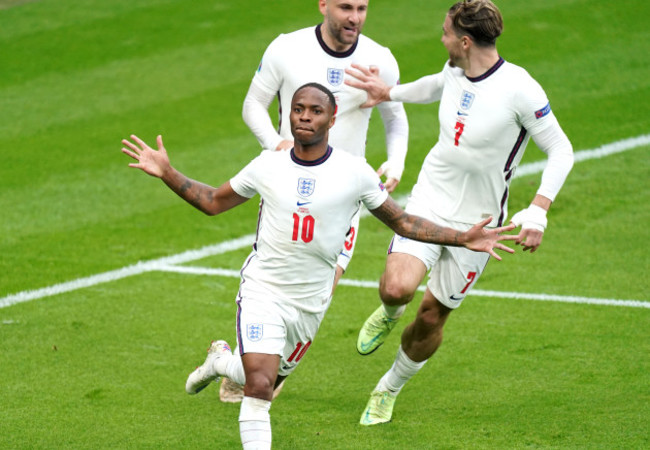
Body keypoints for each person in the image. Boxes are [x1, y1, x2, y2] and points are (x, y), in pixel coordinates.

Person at [122, 83, 516, 449]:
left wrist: (461, 237)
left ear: (332, 116)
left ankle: (219, 361)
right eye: (297, 109)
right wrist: (168, 173)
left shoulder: (354, 172)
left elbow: (403, 222)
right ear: (288, 115)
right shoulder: (267, 165)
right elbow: (212, 202)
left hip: (311, 301)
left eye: (314, 110)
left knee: (266, 376)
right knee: (259, 387)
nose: (304, 117)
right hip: (264, 289)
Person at [345, 0, 574, 425]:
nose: (442, 38)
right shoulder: (455, 69)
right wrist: (388, 93)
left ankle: (388, 388)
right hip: (431, 197)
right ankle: (391, 313)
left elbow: (561, 149)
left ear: (465, 41)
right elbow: (434, 85)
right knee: (396, 288)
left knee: (432, 315)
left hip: (481, 221)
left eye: (446, 33)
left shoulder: (521, 89)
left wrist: (538, 211)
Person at [230, 0, 410, 404]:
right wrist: (276, 146)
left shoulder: (379, 59)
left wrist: (395, 161)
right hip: (287, 189)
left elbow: (394, 118)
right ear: (324, 5)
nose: (355, 17)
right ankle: (251, 369)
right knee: (276, 284)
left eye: (362, 8)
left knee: (318, 296)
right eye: (346, 7)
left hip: (345, 198)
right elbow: (253, 105)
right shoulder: (287, 49)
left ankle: (242, 367)